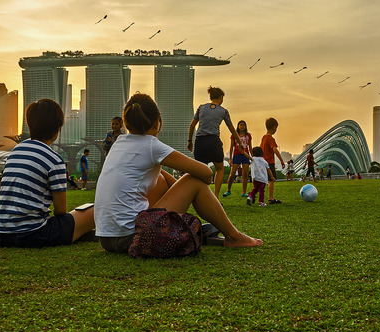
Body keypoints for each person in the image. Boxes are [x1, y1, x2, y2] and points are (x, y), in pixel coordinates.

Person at [95, 93, 262, 253]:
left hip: (107, 239)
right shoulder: (151, 144)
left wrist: (177, 189)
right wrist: (188, 191)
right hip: (134, 238)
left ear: (126, 122)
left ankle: (185, 225)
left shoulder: (118, 143)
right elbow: (206, 173)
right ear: (157, 122)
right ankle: (234, 236)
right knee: (194, 181)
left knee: (159, 177)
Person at [0, 99, 95, 248]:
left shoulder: (16, 151)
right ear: (57, 127)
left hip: (2, 235)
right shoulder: (53, 159)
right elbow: (60, 211)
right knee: (95, 210)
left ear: (30, 124)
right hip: (34, 234)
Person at [187, 86, 241, 197]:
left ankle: (200, 195)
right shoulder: (223, 111)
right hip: (213, 141)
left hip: (200, 140)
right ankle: (215, 196)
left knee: (201, 170)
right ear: (221, 97)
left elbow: (192, 125)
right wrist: (240, 143)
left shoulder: (201, 108)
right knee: (219, 169)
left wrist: (189, 141)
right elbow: (232, 129)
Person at [224, 120, 253, 197]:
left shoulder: (248, 136)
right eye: (241, 125)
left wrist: (252, 157)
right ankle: (228, 190)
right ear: (238, 126)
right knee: (232, 174)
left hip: (245, 155)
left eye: (244, 125)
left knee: (245, 174)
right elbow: (231, 147)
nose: (242, 126)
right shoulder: (234, 135)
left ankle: (244, 192)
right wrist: (230, 159)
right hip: (236, 155)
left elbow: (250, 147)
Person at [261, 117, 285, 204]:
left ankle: (253, 195)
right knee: (272, 179)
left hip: (263, 162)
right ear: (274, 127)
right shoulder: (271, 139)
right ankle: (270, 198)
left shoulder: (263, 138)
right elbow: (274, 149)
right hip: (269, 162)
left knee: (263, 180)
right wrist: (281, 160)